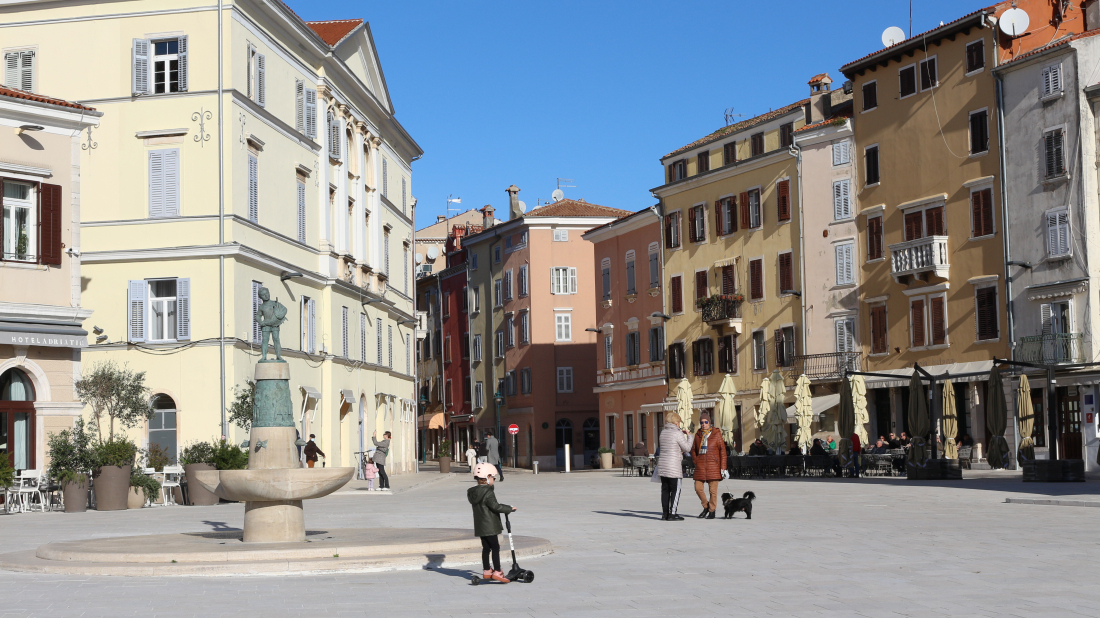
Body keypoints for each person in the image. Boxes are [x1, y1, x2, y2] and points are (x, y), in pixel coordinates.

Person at [468, 462, 516, 583]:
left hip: (480, 526)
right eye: (493, 477)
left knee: (486, 548)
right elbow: (496, 507)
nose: (494, 479)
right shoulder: (488, 492)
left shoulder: (474, 492)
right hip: (490, 525)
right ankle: (497, 571)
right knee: (495, 547)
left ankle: (486, 570)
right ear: (487, 477)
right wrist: (509, 508)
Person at [656, 412, 692, 521]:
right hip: (673, 466)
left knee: (665, 490)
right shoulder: (677, 433)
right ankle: (672, 514)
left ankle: (665, 514)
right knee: (675, 490)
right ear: (676, 422)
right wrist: (689, 436)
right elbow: (687, 448)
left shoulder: (663, 432)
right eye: (679, 422)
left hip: (663, 466)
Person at [691, 414, 728, 519]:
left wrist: (723, 466)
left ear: (709, 422)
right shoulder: (698, 435)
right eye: (702, 422)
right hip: (700, 465)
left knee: (713, 491)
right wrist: (695, 460)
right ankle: (706, 506)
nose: (703, 424)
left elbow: (722, 451)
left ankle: (712, 510)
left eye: (705, 422)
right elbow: (693, 449)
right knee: (698, 488)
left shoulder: (716, 434)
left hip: (714, 466)